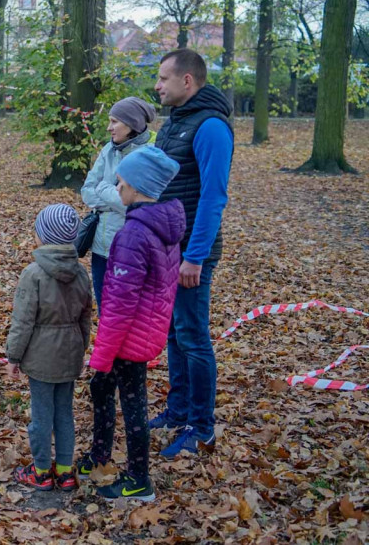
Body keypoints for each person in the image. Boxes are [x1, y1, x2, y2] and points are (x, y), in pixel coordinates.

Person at [78, 146, 185, 503]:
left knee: (133, 404)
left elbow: (119, 307)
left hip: (128, 339)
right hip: (143, 332)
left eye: (121, 180)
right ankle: (99, 455)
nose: (116, 185)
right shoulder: (161, 226)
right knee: (102, 390)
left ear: (137, 188)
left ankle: (139, 479)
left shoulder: (133, 235)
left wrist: (101, 355)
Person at [148, 49, 234, 458]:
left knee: (194, 338)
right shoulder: (173, 123)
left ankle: (201, 428)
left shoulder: (212, 127)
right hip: (167, 249)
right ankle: (178, 410)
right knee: (173, 333)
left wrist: (195, 256)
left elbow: (213, 198)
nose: (157, 85)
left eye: (164, 78)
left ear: (187, 81)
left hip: (191, 255)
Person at [6, 204, 92, 492]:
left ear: (43, 236)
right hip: (69, 356)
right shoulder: (81, 274)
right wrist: (81, 348)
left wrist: (13, 357)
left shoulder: (33, 274)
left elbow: (23, 321)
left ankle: (41, 470)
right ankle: (66, 471)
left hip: (41, 359)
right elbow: (85, 317)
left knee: (42, 416)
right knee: (64, 414)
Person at [80, 96, 156, 312]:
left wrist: (104, 191)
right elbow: (87, 190)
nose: (108, 127)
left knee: (127, 315)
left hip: (131, 250)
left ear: (131, 124)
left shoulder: (150, 154)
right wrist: (115, 198)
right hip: (101, 249)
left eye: (114, 122)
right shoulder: (108, 149)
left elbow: (138, 205)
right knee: (106, 313)